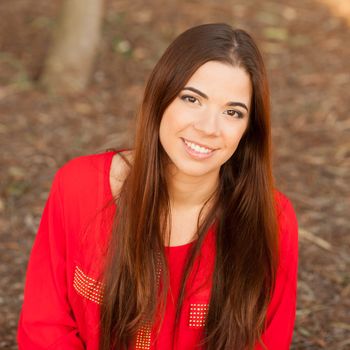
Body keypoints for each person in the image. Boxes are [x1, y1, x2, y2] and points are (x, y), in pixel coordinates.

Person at [17, 23, 298, 350]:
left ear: (249, 129)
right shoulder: (78, 187)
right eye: (192, 99)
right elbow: (45, 327)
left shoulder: (271, 219)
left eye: (233, 112)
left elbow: (266, 341)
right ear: (160, 98)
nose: (208, 127)